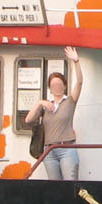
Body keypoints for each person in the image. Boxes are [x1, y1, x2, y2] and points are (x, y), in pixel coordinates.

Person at [30, 47, 83, 180]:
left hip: (67, 148)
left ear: (64, 86)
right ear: (49, 88)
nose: (57, 87)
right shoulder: (46, 105)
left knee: (70, 184)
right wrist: (40, 103)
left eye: (59, 84)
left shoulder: (70, 101)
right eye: (53, 85)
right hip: (49, 150)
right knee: (54, 186)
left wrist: (76, 62)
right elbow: (28, 120)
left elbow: (80, 82)